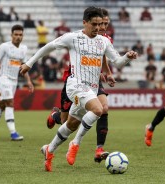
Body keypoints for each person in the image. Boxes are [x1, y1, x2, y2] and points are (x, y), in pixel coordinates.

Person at [20, 7, 137, 172]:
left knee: (71, 124)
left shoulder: (103, 41)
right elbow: (48, 47)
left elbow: (117, 62)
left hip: (91, 88)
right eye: (94, 24)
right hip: (75, 85)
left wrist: (127, 57)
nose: (98, 28)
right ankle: (75, 144)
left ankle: (49, 149)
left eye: (100, 24)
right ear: (85, 22)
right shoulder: (73, 38)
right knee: (98, 109)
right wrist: (29, 63)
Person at [46, 8, 117, 163]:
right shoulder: (79, 37)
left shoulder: (105, 40)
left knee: (102, 108)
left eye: (106, 24)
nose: (102, 27)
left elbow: (102, 57)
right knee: (67, 121)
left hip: (93, 80)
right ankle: (55, 117)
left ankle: (99, 148)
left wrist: (107, 72)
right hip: (75, 79)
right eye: (100, 23)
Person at [0, 25, 34, 141]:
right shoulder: (4, 46)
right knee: (10, 102)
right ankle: (13, 133)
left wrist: (28, 81)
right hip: (3, 78)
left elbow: (23, 67)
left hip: (14, 81)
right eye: (16, 34)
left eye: (20, 35)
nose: (18, 37)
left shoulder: (23, 49)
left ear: (23, 36)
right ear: (11, 35)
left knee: (2, 104)